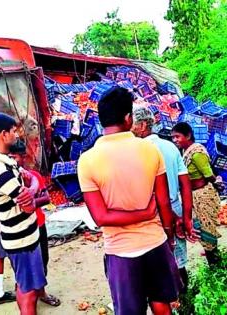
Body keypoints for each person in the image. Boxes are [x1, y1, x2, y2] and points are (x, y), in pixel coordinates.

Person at [77, 87, 181, 315]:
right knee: (162, 303)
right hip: (155, 242)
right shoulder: (150, 150)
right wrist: (165, 233)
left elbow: (101, 217)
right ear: (128, 118)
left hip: (120, 252)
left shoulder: (87, 161)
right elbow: (163, 203)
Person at [0, 113, 45, 315]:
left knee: (23, 286)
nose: (17, 135)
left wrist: (28, 185)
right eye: (13, 131)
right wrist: (34, 185)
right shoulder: (1, 171)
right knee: (29, 293)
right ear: (3, 135)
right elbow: (28, 205)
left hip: (21, 236)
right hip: (21, 240)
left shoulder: (2, 162)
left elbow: (27, 195)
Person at [131, 106, 198, 292]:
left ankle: (165, 300)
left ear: (142, 125)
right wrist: (186, 218)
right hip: (175, 206)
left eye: (132, 124)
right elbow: (185, 185)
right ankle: (185, 298)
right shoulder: (170, 147)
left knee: (154, 260)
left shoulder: (137, 150)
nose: (129, 128)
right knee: (179, 259)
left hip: (151, 212)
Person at [9, 141, 61, 307]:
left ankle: (42, 292)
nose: (12, 160)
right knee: (22, 268)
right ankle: (25, 297)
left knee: (42, 260)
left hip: (38, 224)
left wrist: (29, 199)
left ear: (23, 157)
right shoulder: (8, 180)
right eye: (9, 157)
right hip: (19, 230)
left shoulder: (34, 176)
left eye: (14, 157)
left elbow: (46, 198)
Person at [171, 122, 223, 266]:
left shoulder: (197, 152)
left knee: (206, 227)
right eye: (173, 137)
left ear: (188, 135)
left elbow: (208, 174)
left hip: (202, 195)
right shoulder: (185, 151)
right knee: (199, 226)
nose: (175, 140)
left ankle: (215, 261)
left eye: (177, 137)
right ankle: (211, 253)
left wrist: (217, 181)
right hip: (193, 195)